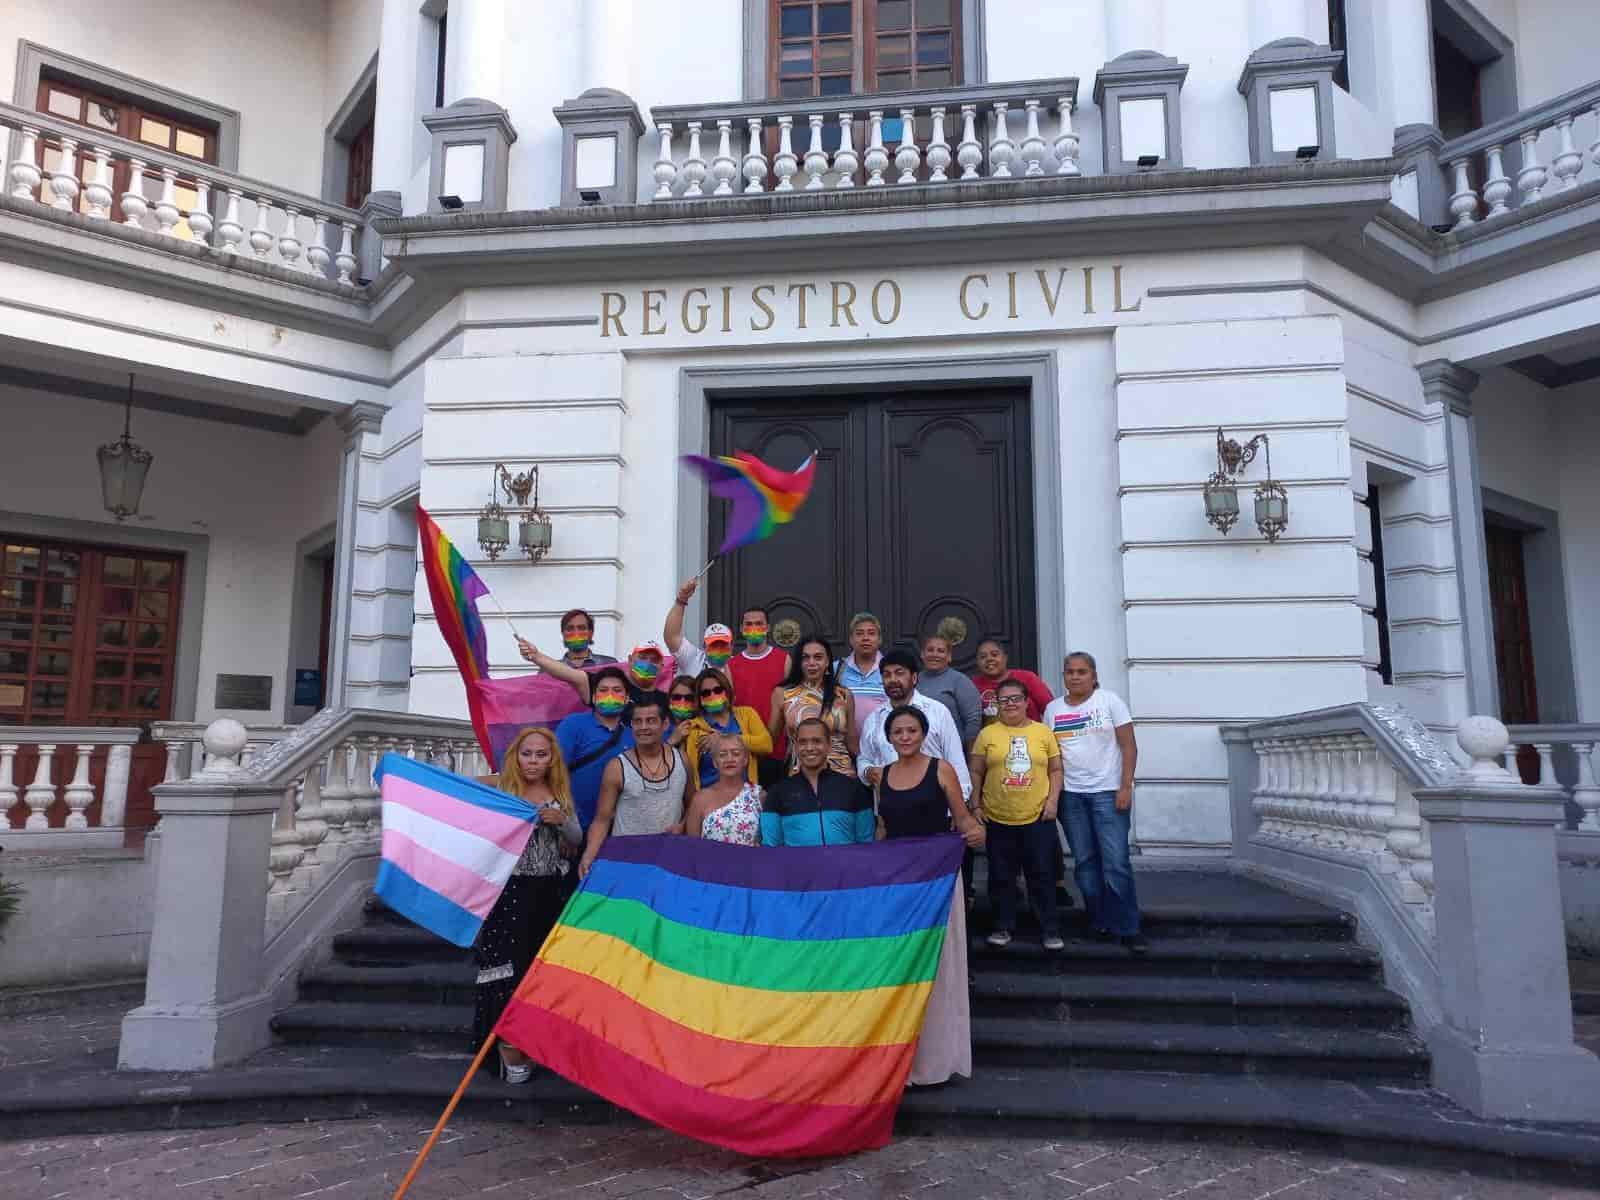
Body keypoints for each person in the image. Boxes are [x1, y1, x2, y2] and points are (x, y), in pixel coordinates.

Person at [874, 705, 985, 1086]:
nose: (905, 737)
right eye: (898, 732)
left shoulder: (942, 770)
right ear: (889, 738)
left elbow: (964, 818)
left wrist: (975, 832)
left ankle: (938, 1060)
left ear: (923, 734)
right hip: (899, 885)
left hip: (937, 882)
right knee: (902, 968)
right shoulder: (883, 775)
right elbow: (883, 829)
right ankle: (902, 1063)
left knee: (938, 968)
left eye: (912, 731)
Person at [472, 727, 581, 1083]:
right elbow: (464, 805)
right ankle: (505, 1046)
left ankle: (533, 1044)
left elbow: (577, 839)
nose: (533, 761)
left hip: (549, 894)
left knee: (539, 973)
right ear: (516, 756)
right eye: (527, 753)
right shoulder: (501, 789)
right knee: (506, 969)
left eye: (541, 755)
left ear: (552, 760)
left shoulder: (560, 794)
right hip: (507, 893)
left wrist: (562, 822)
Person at [1044, 651, 1146, 953]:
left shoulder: (1109, 702)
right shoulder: (1052, 710)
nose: (1075, 676)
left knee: (1115, 862)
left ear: (1093, 675)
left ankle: (1128, 927)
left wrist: (1125, 787)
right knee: (1085, 863)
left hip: (1107, 792)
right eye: (1069, 672)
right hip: (1071, 796)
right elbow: (1050, 757)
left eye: (1081, 671)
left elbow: (1129, 746)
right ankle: (1099, 921)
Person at [970, 678, 1063, 950]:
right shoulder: (988, 734)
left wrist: (1053, 802)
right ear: (997, 704)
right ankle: (1002, 927)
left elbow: (1056, 770)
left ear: (1026, 702)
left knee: (1042, 875)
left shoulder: (1043, 732)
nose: (1010, 704)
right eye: (1004, 699)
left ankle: (1050, 930)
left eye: (1015, 699)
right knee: (1000, 877)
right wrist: (976, 805)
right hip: (997, 817)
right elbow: (976, 771)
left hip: (1037, 816)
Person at [580, 694, 690, 877]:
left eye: (651, 720)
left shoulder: (682, 759)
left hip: (669, 861)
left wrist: (683, 825)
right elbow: (602, 819)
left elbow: (693, 803)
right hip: (626, 863)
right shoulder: (617, 767)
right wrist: (589, 854)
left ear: (665, 725)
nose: (643, 727)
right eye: (637, 721)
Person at [856, 649, 972, 802]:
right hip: (889, 810)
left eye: (899, 673)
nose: (892, 679)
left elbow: (955, 760)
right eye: (887, 674)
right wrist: (867, 772)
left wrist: (960, 804)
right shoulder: (874, 718)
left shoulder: (937, 711)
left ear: (914, 677)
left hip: (934, 807)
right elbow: (864, 758)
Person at [664, 577, 792, 715]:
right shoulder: (693, 658)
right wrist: (681, 600)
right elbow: (671, 636)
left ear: (731, 646)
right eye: (713, 645)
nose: (718, 649)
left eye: (722, 645)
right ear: (704, 646)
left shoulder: (737, 666)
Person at [761, 718, 875, 845]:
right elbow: (771, 847)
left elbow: (866, 843)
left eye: (817, 741)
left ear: (829, 745)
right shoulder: (777, 792)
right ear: (795, 746)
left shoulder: (853, 788)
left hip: (845, 864)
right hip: (797, 865)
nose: (809, 748)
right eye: (803, 742)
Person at [554, 665, 635, 833]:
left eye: (617, 690)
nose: (610, 695)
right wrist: (566, 826)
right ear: (594, 697)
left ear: (627, 698)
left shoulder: (634, 736)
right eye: (603, 690)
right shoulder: (573, 724)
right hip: (574, 827)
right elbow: (554, 773)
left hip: (618, 832)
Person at [769, 635, 856, 776]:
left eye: (818, 657)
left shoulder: (844, 695)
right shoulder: (783, 694)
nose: (811, 663)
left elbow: (852, 745)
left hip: (842, 775)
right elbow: (770, 742)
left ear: (828, 661)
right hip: (799, 776)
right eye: (805, 657)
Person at [680, 667, 773, 788]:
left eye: (718, 690)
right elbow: (691, 773)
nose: (712, 695)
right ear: (700, 699)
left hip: (744, 796)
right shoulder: (693, 728)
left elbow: (766, 745)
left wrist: (724, 739)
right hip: (709, 798)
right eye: (706, 693)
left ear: (727, 691)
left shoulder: (747, 714)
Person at [521, 637, 672, 705]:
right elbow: (570, 674)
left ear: (661, 666)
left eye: (654, 660)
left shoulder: (669, 701)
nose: (648, 663)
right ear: (630, 660)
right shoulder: (610, 687)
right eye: (643, 657)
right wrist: (536, 656)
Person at [682, 732, 764, 845]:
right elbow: (692, 846)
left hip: (750, 861)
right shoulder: (700, 799)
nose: (729, 759)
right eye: (722, 754)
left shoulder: (759, 796)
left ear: (745, 760)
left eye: (735, 754)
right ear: (715, 763)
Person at [917, 633, 983, 749]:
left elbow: (973, 720)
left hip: (951, 750)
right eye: (930, 650)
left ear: (949, 657)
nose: (935, 654)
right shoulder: (914, 680)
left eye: (941, 651)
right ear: (922, 654)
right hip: (917, 749)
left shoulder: (959, 681)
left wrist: (971, 756)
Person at [970, 639, 1054, 725]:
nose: (989, 659)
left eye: (994, 655)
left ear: (1005, 657)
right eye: (983, 657)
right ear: (977, 661)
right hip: (991, 737)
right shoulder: (971, 685)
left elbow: (1051, 710)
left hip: (1031, 736)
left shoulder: (1028, 678)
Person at [836, 611, 888, 728]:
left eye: (871, 633)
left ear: (879, 639)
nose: (865, 638)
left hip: (881, 742)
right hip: (844, 743)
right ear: (851, 639)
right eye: (859, 634)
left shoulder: (889, 669)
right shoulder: (837, 668)